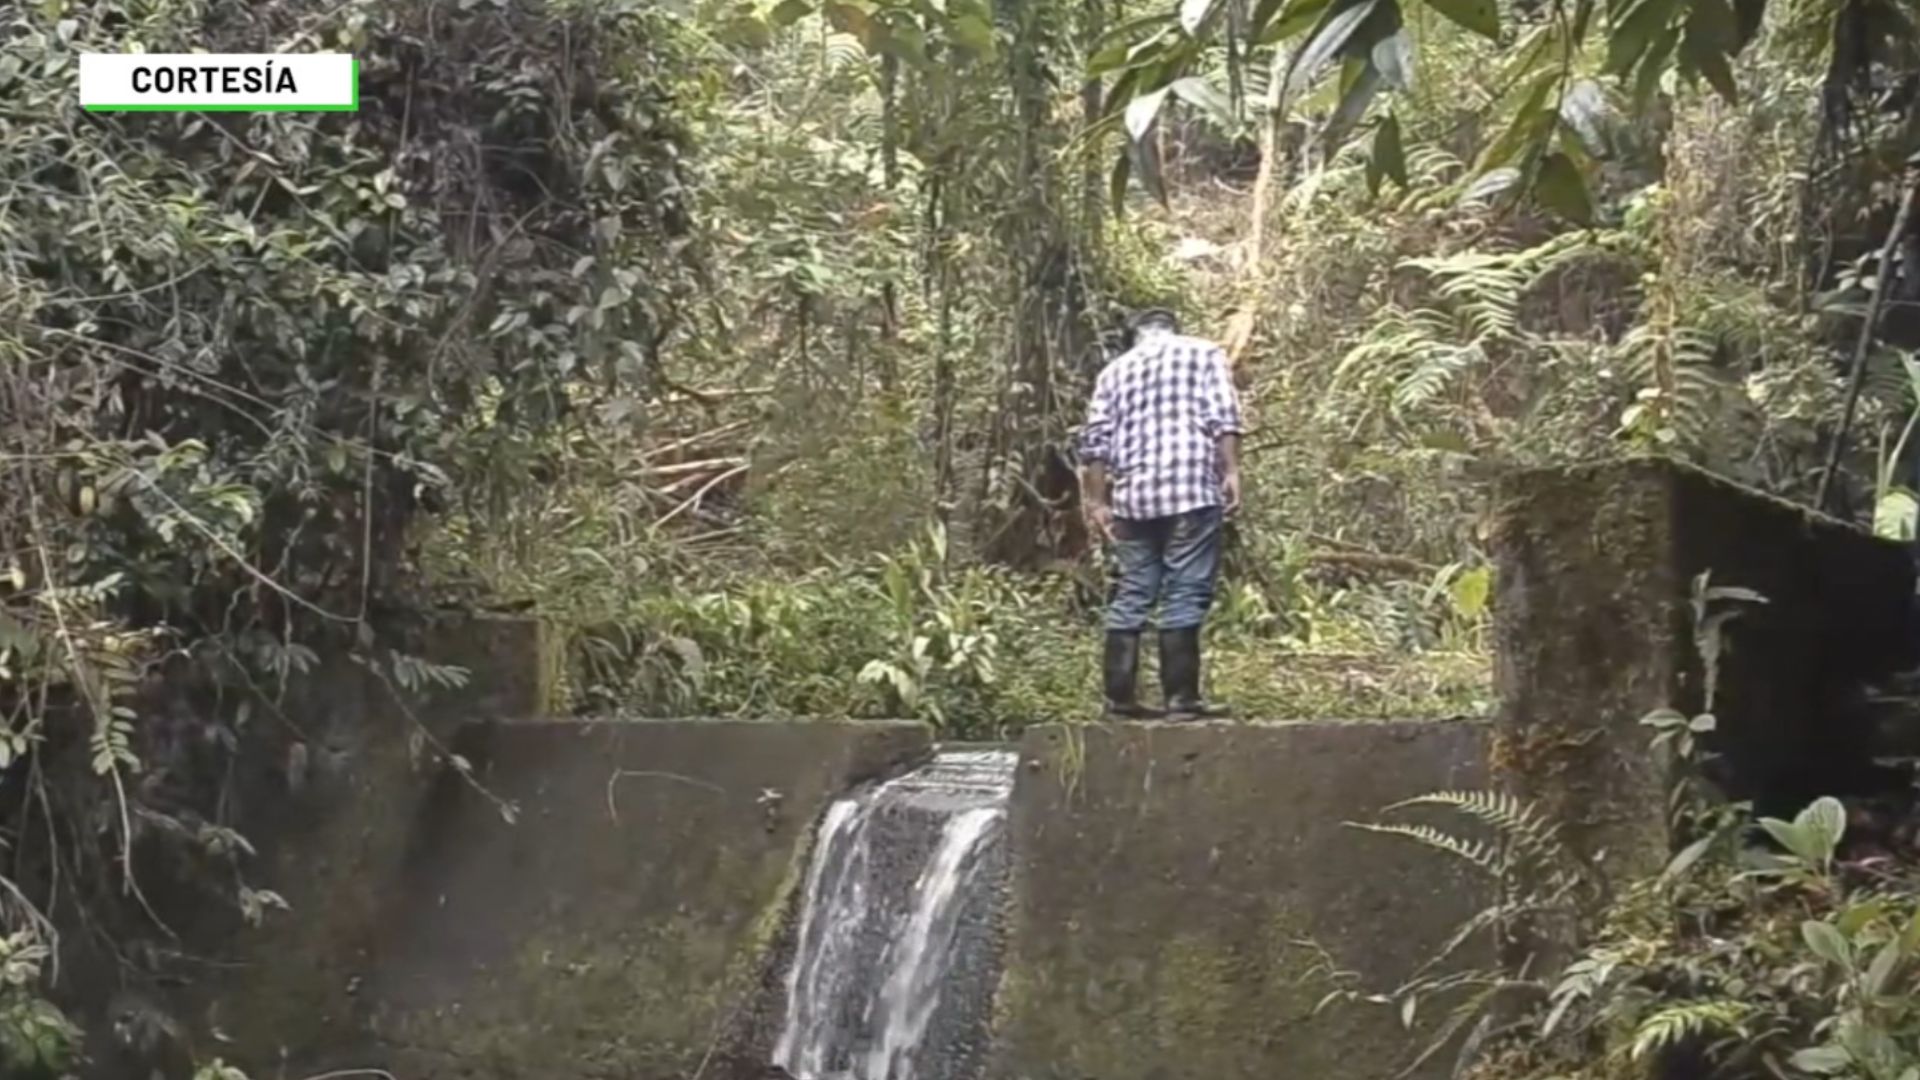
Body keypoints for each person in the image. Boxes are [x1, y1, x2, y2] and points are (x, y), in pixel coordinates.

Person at [1078, 307, 1244, 720]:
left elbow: (1095, 440)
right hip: (1190, 487)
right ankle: (1181, 700)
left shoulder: (1114, 372)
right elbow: (1222, 416)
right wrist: (1232, 470)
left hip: (1134, 497)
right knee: (1185, 589)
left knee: (1134, 590)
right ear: (1172, 328)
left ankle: (1118, 700)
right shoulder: (1204, 353)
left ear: (1135, 335)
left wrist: (1097, 502)